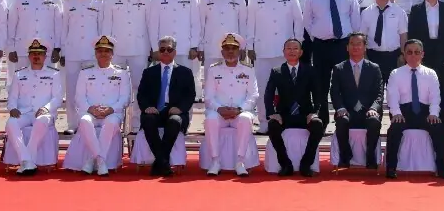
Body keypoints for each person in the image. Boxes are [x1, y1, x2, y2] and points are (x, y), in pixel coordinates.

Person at [247, 0, 304, 133]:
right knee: (263, 88)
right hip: (262, 51)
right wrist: (249, 46)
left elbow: (298, 21)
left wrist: (297, 44)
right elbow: (250, 23)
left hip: (285, 52)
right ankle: (264, 122)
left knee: (286, 88)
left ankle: (286, 120)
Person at [304, 0, 360, 125]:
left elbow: (355, 22)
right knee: (320, 84)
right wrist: (318, 35)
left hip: (342, 45)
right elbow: (307, 21)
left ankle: (345, 119)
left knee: (344, 83)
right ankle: (322, 120)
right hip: (321, 46)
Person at [385, 39, 444, 179]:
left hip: (425, 113)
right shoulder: (395, 73)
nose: (413, 55)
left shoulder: (431, 73)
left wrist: (433, 113)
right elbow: (392, 96)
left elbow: (435, 97)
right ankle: (391, 168)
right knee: (394, 129)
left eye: (416, 52)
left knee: (439, 127)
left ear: (422, 54)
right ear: (404, 54)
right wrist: (396, 113)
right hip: (403, 113)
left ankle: (442, 168)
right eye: (409, 52)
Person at [102, 0, 152, 133]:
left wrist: (152, 48)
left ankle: (136, 124)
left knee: (139, 88)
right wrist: (107, 49)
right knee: (114, 87)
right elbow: (106, 26)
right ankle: (115, 121)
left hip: (139, 49)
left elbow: (151, 25)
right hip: (117, 51)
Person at [136, 36, 196, 177]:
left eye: (169, 49)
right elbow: (141, 94)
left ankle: (159, 162)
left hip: (175, 111)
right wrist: (147, 107)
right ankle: (163, 162)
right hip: (155, 111)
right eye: (162, 49)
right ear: (158, 52)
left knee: (174, 121)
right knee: (148, 120)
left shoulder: (185, 72)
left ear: (175, 52)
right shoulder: (149, 72)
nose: (165, 52)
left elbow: (190, 95)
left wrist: (180, 108)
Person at [264, 38, 324, 177]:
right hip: (284, 115)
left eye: (295, 48)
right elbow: (268, 94)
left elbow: (318, 94)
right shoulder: (277, 71)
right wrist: (272, 113)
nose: (292, 51)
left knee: (318, 125)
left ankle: (306, 164)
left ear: (301, 52)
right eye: (289, 49)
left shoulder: (310, 70)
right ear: (284, 52)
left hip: (304, 115)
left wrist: (314, 112)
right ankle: (285, 164)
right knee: (272, 126)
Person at [75, 35, 132, 176]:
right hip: (90, 112)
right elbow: (79, 96)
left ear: (112, 54)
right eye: (100, 51)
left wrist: (111, 109)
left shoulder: (121, 73)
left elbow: (125, 98)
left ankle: (91, 160)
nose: (103, 54)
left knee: (111, 123)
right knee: (84, 121)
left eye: (107, 51)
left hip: (113, 112)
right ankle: (100, 161)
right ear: (95, 53)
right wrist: (90, 109)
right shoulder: (85, 72)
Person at [203, 33, 259, 176]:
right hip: (219, 112)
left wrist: (240, 109)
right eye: (227, 48)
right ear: (222, 52)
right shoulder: (213, 69)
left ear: (239, 51)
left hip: (239, 112)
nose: (230, 51)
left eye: (233, 48)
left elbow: (253, 95)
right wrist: (219, 109)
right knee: (210, 120)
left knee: (246, 119)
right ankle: (215, 161)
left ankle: (240, 162)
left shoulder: (248, 70)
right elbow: (208, 96)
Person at [5, 38, 63, 175]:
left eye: (40, 54)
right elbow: (12, 97)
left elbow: (58, 98)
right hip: (23, 113)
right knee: (10, 123)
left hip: (43, 113)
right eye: (33, 54)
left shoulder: (53, 74)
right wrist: (12, 108)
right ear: (29, 56)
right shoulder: (19, 74)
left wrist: (46, 108)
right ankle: (27, 160)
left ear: (45, 56)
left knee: (41, 121)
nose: (36, 57)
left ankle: (26, 161)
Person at [149, 0, 202, 99]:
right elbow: (153, 25)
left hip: (185, 48)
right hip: (164, 50)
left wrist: (194, 46)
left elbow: (196, 23)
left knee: (186, 84)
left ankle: (186, 113)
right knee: (164, 85)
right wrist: (155, 48)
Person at [59, 0, 104, 134]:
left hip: (91, 54)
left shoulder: (98, 2)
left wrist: (101, 52)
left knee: (91, 89)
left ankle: (90, 121)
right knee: (71, 90)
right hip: (72, 52)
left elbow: (101, 29)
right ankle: (72, 124)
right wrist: (63, 51)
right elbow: (63, 29)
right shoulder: (68, 2)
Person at [330, 32, 384, 169]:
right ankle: (345, 156)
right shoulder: (339, 68)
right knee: (342, 120)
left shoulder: (374, 68)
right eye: (352, 44)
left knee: (374, 121)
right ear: (347, 47)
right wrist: (340, 108)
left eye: (359, 44)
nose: (355, 47)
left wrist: (373, 108)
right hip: (347, 111)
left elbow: (379, 93)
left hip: (367, 111)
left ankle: (370, 156)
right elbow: (335, 92)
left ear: (365, 47)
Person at [7, 0, 63, 88]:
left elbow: (59, 25)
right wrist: (11, 48)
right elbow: (12, 24)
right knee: (22, 84)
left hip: (47, 49)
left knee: (47, 84)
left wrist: (57, 49)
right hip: (23, 49)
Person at [408, 0, 444, 126]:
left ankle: (441, 124)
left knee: (442, 86)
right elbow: (412, 33)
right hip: (423, 51)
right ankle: (423, 122)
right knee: (423, 86)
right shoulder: (416, 9)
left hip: (441, 52)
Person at [199, 0, 247, 78]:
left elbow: (243, 24)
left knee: (233, 81)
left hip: (233, 48)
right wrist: (200, 47)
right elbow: (200, 25)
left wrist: (243, 47)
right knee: (211, 80)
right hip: (211, 47)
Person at [359, 0, 407, 91]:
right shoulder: (366, 13)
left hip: (393, 57)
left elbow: (403, 35)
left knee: (394, 91)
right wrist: (364, 56)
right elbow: (362, 37)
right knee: (374, 91)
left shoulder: (399, 12)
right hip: (373, 56)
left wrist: (402, 54)